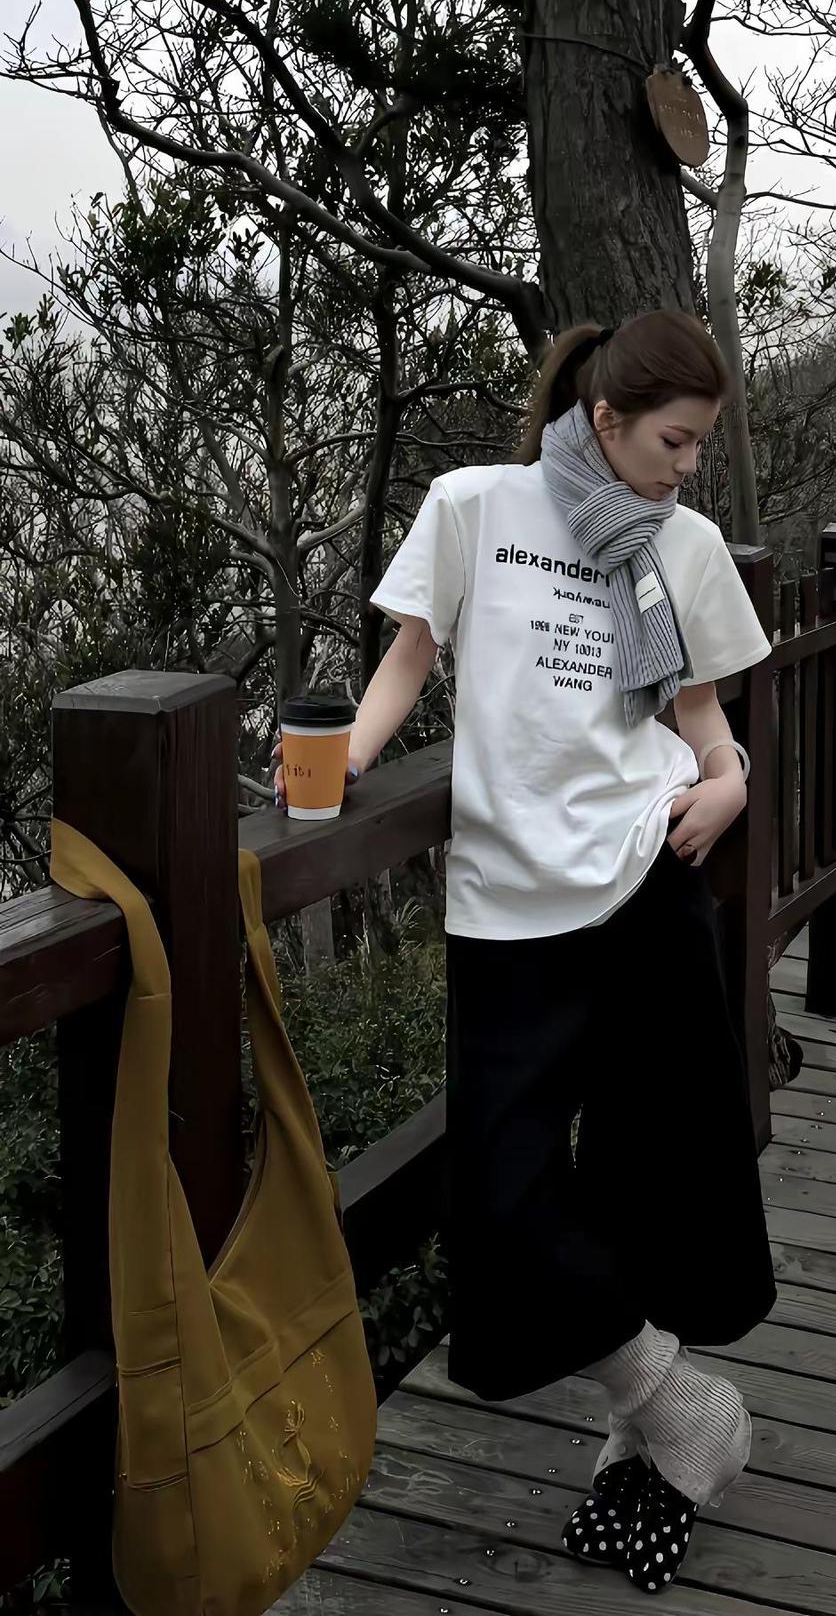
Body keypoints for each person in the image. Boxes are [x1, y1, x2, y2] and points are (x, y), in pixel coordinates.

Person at [282, 312, 776, 1594]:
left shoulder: (682, 544)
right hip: (509, 900)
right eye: (672, 442)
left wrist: (728, 777)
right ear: (605, 419)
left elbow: (700, 709)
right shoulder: (475, 505)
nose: (686, 468)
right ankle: (676, 1401)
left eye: (699, 446)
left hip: (647, 872)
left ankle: (643, 1435)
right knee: (497, 1190)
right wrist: (339, 770)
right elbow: (410, 655)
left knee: (646, 1165)